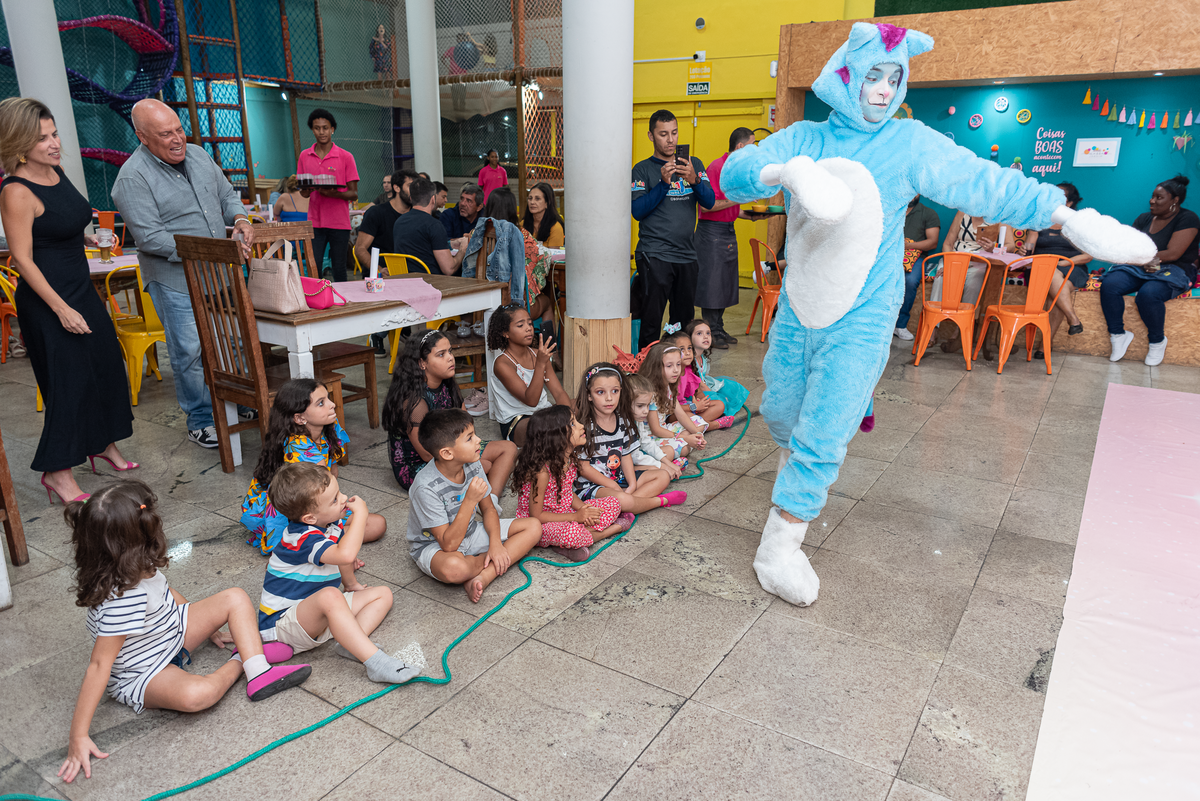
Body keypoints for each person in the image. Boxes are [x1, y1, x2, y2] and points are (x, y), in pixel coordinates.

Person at [719, 22, 1153, 607]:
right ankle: (817, 448)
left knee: (823, 430)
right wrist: (786, 172)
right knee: (782, 412)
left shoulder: (910, 143)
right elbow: (732, 177)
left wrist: (1067, 217)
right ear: (845, 76)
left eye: (894, 77)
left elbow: (985, 183)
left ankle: (780, 545)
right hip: (800, 306)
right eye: (872, 75)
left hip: (863, 313)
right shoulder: (805, 137)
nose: (883, 89)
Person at [57, 481, 311, 783]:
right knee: (197, 695)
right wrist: (78, 736)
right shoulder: (122, 601)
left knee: (235, 597)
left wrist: (203, 624)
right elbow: (100, 665)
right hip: (144, 671)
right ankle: (241, 661)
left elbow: (167, 593)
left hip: (170, 632)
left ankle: (258, 671)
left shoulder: (133, 562)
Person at [0, 98, 136, 503]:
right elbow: (22, 258)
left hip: (80, 289)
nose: (55, 143)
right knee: (69, 382)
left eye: (55, 133)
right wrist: (61, 309)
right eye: (42, 138)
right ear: (19, 144)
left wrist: (88, 238)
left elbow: (61, 224)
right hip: (48, 302)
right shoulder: (16, 191)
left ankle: (103, 443)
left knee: (105, 366)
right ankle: (57, 472)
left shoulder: (55, 172)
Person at [112, 98, 254, 450]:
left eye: (179, 130)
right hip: (174, 279)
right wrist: (210, 251)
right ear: (143, 137)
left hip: (219, 274)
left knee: (234, 339)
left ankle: (237, 399)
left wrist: (240, 218)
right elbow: (150, 237)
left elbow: (227, 195)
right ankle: (201, 419)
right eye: (165, 134)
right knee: (189, 351)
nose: (177, 139)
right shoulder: (132, 177)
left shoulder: (199, 155)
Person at [258, 462, 421, 683]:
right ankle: (375, 662)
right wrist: (361, 515)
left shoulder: (329, 524)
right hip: (283, 625)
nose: (344, 498)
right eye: (335, 499)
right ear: (309, 518)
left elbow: (341, 553)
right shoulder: (301, 539)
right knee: (330, 595)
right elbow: (345, 555)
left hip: (317, 616)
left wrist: (351, 585)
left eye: (339, 492)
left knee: (383, 594)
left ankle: (353, 644)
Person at [407, 408, 542, 603]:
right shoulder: (425, 487)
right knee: (455, 569)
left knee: (533, 527)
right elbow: (448, 544)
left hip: (470, 532)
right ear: (447, 453)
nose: (478, 440)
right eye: (469, 438)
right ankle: (500, 556)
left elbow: (488, 509)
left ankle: (484, 576)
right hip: (436, 547)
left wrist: (495, 544)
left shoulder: (472, 462)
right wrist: (469, 501)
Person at [241, 378, 387, 555]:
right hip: (288, 513)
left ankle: (324, 545)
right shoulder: (298, 448)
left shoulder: (329, 428)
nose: (332, 405)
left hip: (316, 504)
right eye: (321, 403)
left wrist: (336, 507)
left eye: (328, 398)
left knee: (377, 524)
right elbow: (311, 499)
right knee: (366, 524)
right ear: (300, 418)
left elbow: (333, 475)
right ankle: (312, 548)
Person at [383, 330, 516, 491]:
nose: (450, 358)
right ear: (422, 363)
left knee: (509, 449)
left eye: (450, 351)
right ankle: (481, 496)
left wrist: (470, 450)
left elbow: (466, 424)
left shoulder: (447, 384)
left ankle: (491, 499)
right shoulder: (415, 402)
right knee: (486, 466)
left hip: (453, 447)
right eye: (441, 354)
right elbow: (426, 454)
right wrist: (467, 459)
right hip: (422, 465)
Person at [631, 109, 715, 350]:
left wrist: (694, 180)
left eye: (674, 133)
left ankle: (679, 369)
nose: (671, 140)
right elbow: (638, 211)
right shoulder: (642, 169)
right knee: (651, 321)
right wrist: (663, 184)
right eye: (663, 134)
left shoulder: (693, 165)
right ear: (651, 136)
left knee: (684, 323)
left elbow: (709, 201)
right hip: (654, 255)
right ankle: (647, 369)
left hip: (687, 256)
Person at [513, 405, 634, 561]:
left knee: (614, 503)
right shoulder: (542, 473)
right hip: (542, 523)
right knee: (572, 533)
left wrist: (585, 510)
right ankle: (612, 530)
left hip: (565, 512)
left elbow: (567, 494)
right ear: (555, 436)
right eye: (572, 424)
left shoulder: (568, 460)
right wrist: (576, 517)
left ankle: (570, 543)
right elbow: (536, 516)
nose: (581, 426)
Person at [1101, 175, 1198, 366]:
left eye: (1159, 197)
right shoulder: (1144, 218)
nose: (1152, 201)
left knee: (1148, 294)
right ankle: (1118, 335)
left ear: (1175, 200)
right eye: (1152, 196)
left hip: (1175, 267)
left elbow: (1173, 253)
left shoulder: (1188, 218)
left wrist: (1146, 260)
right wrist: (1143, 261)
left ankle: (1157, 341)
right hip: (1143, 265)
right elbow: (1129, 247)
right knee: (1110, 285)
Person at [573, 362, 685, 512]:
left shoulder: (623, 421)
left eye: (615, 391)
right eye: (600, 392)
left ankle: (627, 506)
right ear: (589, 395)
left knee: (663, 476)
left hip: (619, 479)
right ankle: (659, 501)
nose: (609, 398)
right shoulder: (584, 427)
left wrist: (632, 485)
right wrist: (613, 486)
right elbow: (583, 468)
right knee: (623, 498)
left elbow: (625, 456)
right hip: (593, 486)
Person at [695, 127, 757, 348]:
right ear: (740, 147)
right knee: (712, 283)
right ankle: (710, 333)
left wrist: (749, 215)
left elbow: (727, 205)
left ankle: (718, 328)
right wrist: (738, 198)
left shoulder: (735, 170)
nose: (754, 151)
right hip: (711, 232)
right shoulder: (716, 167)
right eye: (752, 146)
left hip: (728, 230)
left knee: (724, 283)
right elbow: (707, 206)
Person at [486, 304, 571, 446]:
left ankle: (565, 430)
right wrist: (540, 364)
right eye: (520, 325)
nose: (528, 328)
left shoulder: (538, 354)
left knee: (585, 403)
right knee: (544, 426)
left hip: (544, 413)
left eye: (530, 323)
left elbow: (558, 392)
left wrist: (570, 419)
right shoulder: (502, 364)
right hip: (518, 422)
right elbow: (531, 400)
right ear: (505, 333)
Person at [1024, 182, 1091, 358]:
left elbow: (1087, 256)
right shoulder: (1039, 220)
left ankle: (1046, 342)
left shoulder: (1077, 224)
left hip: (1071, 266)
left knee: (1055, 280)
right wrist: (1026, 249)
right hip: (1039, 267)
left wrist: (1063, 263)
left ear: (1069, 203)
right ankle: (1071, 319)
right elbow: (1029, 249)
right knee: (1056, 281)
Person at [297, 108, 359, 283]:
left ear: (332, 129)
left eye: (325, 128)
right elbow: (303, 192)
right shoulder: (304, 156)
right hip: (315, 222)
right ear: (312, 130)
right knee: (314, 267)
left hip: (339, 222)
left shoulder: (346, 156)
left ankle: (340, 298)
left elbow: (354, 194)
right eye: (317, 128)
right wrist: (307, 190)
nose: (321, 132)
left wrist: (333, 194)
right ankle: (318, 297)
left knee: (339, 267)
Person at [392, 177, 467, 276]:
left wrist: (450, 244)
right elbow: (449, 269)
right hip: (430, 281)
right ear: (432, 199)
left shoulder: (399, 222)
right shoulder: (434, 225)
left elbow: (421, 245)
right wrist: (463, 249)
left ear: (411, 198)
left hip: (404, 279)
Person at [893, 195, 941, 341]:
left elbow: (932, 242)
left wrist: (909, 245)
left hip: (917, 256)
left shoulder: (928, 213)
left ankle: (900, 325)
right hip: (891, 253)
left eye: (916, 192)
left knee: (910, 280)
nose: (913, 195)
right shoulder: (892, 211)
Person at [665, 330, 734, 429]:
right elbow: (669, 408)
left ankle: (696, 424)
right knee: (687, 417)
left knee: (719, 405)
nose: (688, 352)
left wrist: (701, 402)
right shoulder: (670, 375)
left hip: (688, 407)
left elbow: (698, 391)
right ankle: (712, 425)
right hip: (672, 413)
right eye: (682, 349)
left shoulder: (688, 371)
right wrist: (693, 407)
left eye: (689, 348)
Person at [624, 373, 686, 474]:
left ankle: (665, 469)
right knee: (660, 473)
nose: (646, 411)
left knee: (668, 452)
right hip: (625, 463)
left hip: (636, 457)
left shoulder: (636, 419)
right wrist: (662, 466)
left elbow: (645, 442)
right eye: (640, 406)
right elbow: (635, 456)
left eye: (648, 405)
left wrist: (666, 463)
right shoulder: (624, 425)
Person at [685, 318, 749, 417]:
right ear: (689, 338)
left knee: (732, 389)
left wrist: (715, 388)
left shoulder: (703, 357)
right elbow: (701, 385)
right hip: (695, 391)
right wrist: (715, 394)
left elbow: (706, 376)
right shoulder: (689, 360)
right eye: (699, 333)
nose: (705, 336)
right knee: (720, 401)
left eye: (708, 333)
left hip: (705, 384)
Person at [355, 168, 417, 269]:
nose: (415, 191)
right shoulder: (376, 213)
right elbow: (360, 249)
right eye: (410, 186)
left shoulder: (417, 215)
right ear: (397, 188)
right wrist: (379, 270)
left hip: (411, 272)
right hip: (381, 273)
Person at [522, 182, 564, 247]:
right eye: (530, 198)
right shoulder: (523, 224)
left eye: (537, 199)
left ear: (547, 203)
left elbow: (554, 253)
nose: (532, 202)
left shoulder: (555, 228)